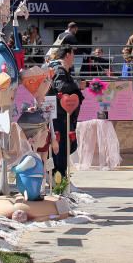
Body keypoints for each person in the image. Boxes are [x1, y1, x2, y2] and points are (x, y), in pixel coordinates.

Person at [47, 46, 83, 180]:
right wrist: (77, 86)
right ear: (67, 55)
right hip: (59, 117)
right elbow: (60, 87)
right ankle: (58, 180)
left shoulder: (62, 70)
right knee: (61, 149)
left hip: (63, 117)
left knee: (67, 146)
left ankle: (59, 179)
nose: (74, 58)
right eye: (73, 54)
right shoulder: (59, 70)